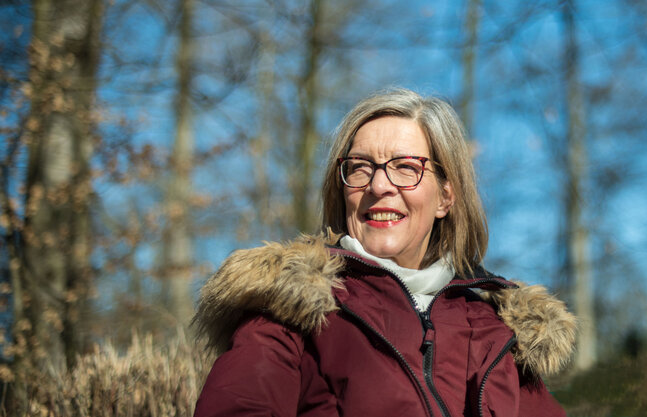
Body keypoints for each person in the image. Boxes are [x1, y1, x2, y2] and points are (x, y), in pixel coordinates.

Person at [192, 88, 577, 417]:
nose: (379, 185)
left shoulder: (496, 333)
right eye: (360, 167)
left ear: (446, 195)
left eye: (406, 167)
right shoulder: (290, 310)